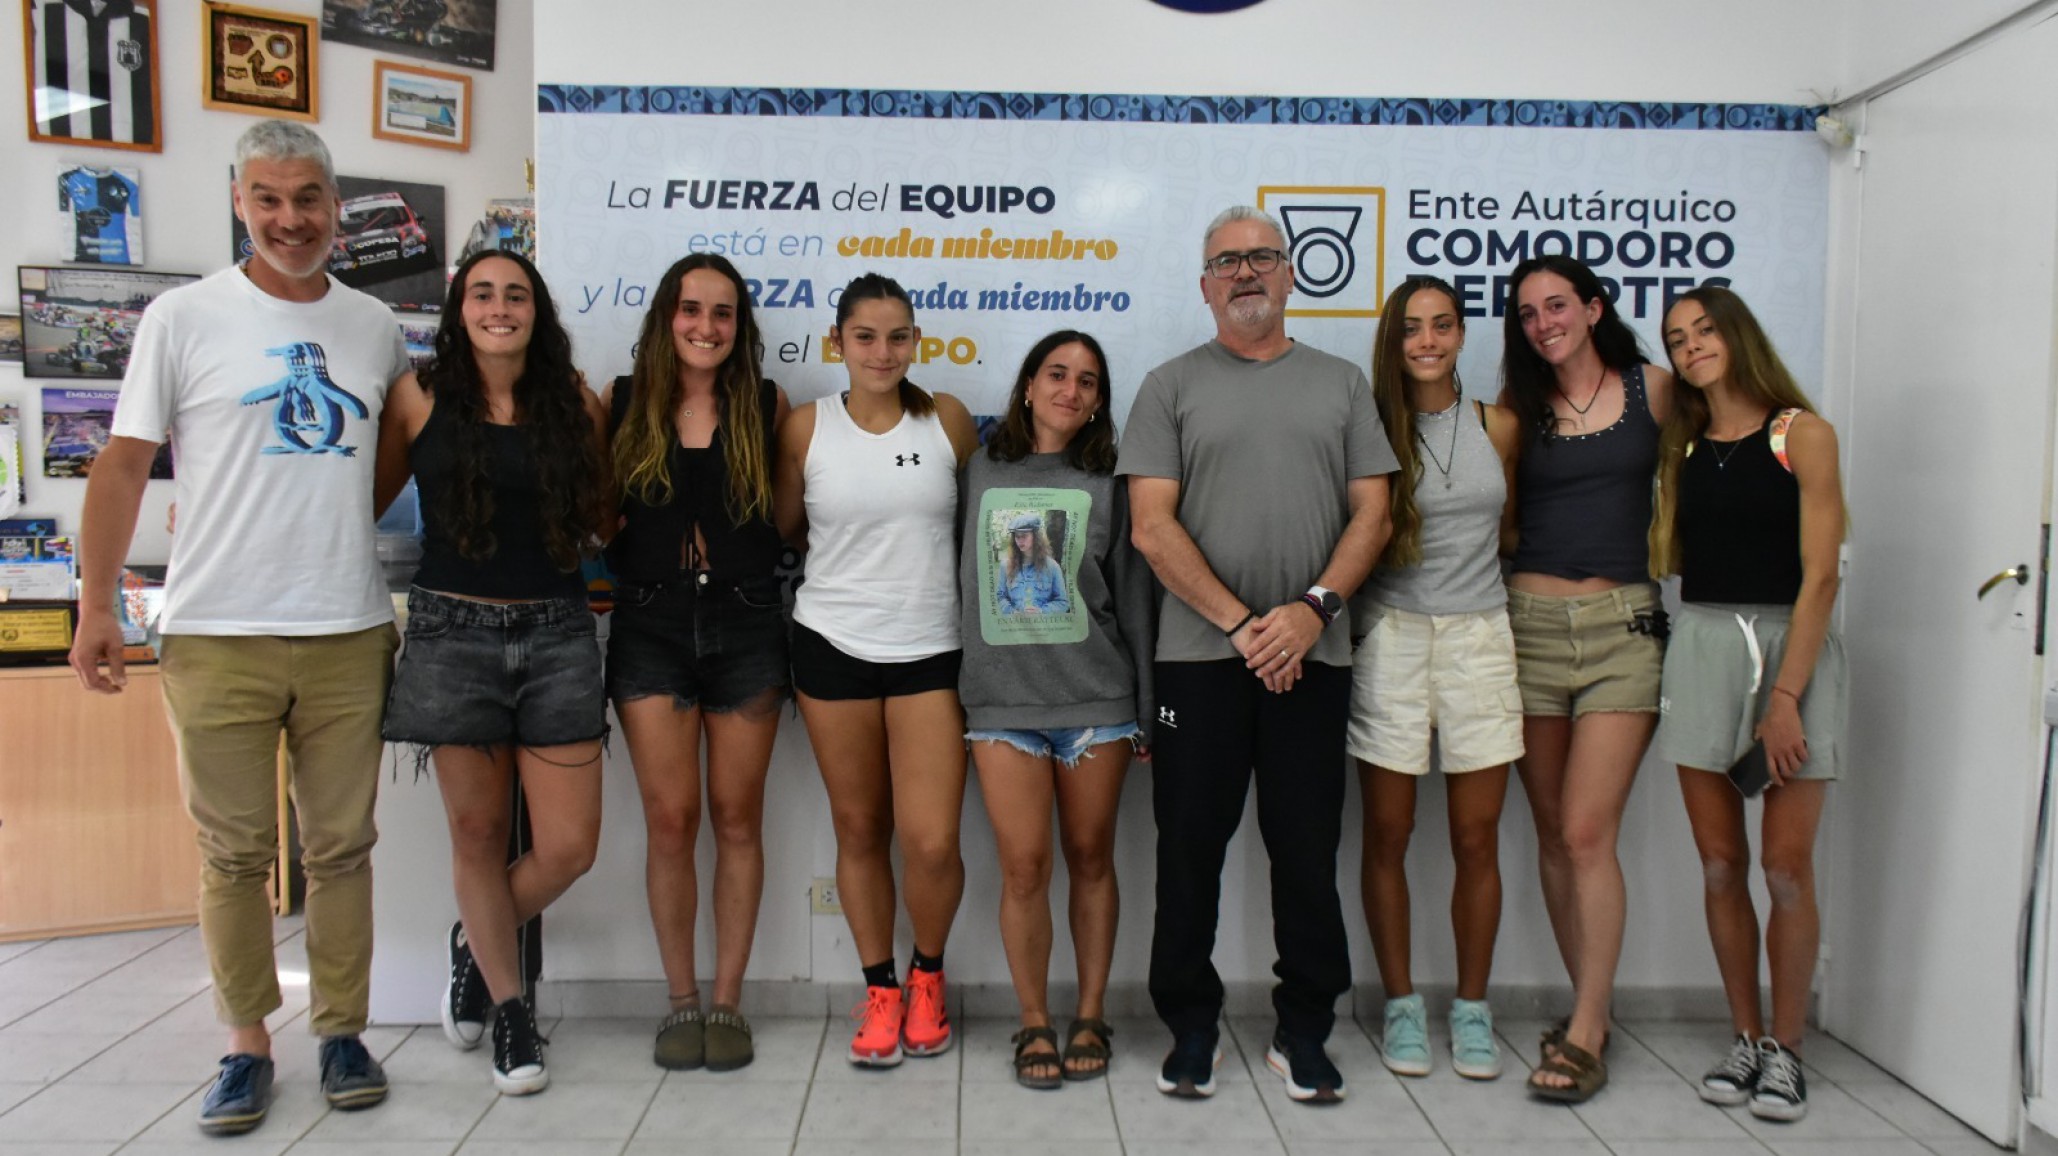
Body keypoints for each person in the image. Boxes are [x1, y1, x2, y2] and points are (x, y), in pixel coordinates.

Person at [67, 120, 411, 1135]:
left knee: (342, 845)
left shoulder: (374, 327)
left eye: (308, 199)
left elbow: (387, 462)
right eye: (270, 199)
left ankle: (342, 1031)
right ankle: (246, 1044)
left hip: (348, 627)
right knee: (234, 855)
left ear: (336, 207)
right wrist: (94, 606)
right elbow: (123, 465)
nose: (291, 219)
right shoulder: (182, 317)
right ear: (240, 203)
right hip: (215, 627)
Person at [1121, 206, 1397, 1105]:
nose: (1245, 273)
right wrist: (1246, 627)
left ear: (1290, 275)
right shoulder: (1167, 386)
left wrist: (1312, 614)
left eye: (1261, 258)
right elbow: (1151, 528)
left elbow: (1375, 515)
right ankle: (1191, 1029)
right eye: (1226, 262)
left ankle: (1303, 1031)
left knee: (1307, 851)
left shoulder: (1342, 384)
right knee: (1189, 851)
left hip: (1313, 659)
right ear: (1205, 285)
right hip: (1200, 665)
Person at [373, 249, 610, 1095]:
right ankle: (513, 1015)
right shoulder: (418, 397)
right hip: (451, 634)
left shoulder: (573, 402)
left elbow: (597, 517)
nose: (499, 307)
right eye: (483, 293)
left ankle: (477, 937)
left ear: (536, 311)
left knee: (571, 846)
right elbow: (365, 502)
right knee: (476, 836)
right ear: (459, 308)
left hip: (555, 634)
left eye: (516, 294)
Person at [774, 273, 978, 1067]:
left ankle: (929, 974)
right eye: (865, 336)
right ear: (839, 343)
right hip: (831, 646)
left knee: (931, 842)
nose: (882, 352)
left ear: (916, 343)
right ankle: (881, 989)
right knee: (859, 829)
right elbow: (790, 528)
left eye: (898, 337)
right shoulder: (803, 428)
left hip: (931, 648)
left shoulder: (949, 421)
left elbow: (976, 524)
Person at [1652, 287, 1846, 1122]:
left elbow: (1823, 574)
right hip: (1701, 648)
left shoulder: (1802, 433)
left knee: (1785, 869)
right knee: (1723, 864)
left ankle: (1788, 1048)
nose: (1692, 346)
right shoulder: (1685, 445)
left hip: (1792, 657)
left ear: (1737, 336)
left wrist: (1787, 698)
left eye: (1703, 331)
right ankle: (1743, 1033)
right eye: (1676, 339)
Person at [603, 253, 791, 1073]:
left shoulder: (766, 405)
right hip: (650, 630)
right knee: (671, 822)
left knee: (737, 819)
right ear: (665, 318)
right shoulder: (617, 403)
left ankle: (728, 1002)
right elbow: (591, 514)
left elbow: (787, 525)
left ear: (739, 327)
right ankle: (680, 1002)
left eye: (722, 313)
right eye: (691, 310)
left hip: (748, 631)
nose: (706, 327)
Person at [1498, 254, 1675, 1103]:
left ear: (1595, 308)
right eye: (1528, 313)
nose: (1544, 323)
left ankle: (1588, 1030)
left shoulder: (1657, 390)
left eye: (1557, 305)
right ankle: (1584, 1014)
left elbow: (1727, 456)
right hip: (1525, 629)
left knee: (1585, 832)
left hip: (1623, 630)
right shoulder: (1514, 413)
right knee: (1550, 833)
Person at [959, 330, 1154, 1088]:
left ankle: (1091, 1013)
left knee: (1091, 859)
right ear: (1029, 385)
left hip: (1097, 704)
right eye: (1058, 374)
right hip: (1000, 703)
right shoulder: (978, 471)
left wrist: (1150, 711)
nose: (1072, 390)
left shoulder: (1116, 482)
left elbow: (1135, 601)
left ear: (1101, 401)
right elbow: (958, 583)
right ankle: (1034, 1019)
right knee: (1023, 867)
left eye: (1089, 381)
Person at [1349, 276, 1523, 1081]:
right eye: (1413, 327)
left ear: (1461, 334)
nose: (1428, 340)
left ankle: (1474, 1010)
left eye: (1442, 325)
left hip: (1481, 636)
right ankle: (1402, 1007)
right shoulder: (1368, 428)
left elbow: (1511, 530)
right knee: (1387, 835)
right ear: (1394, 338)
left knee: (1475, 837)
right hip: (1390, 639)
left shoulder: (1500, 425)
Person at [994, 511, 1071, 616]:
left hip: (1044, 629)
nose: (1020, 540)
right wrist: (1012, 612)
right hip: (1014, 629)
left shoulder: (1052, 567)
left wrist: (1042, 611)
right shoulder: (1005, 565)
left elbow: (1063, 602)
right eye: (1017, 536)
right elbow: (1001, 596)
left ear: (1035, 537)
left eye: (1024, 536)